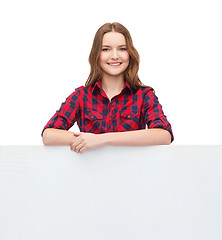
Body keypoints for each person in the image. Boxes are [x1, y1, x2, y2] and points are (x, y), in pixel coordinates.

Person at [42, 22, 174, 153]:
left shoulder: (144, 95)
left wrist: (102, 140)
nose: (115, 56)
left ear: (130, 54)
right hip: (90, 173)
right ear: (96, 55)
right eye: (106, 49)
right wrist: (86, 140)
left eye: (122, 49)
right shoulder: (82, 95)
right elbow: (49, 135)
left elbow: (164, 135)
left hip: (133, 172)